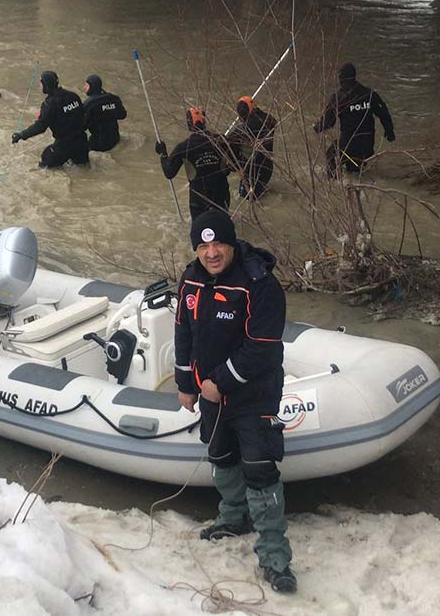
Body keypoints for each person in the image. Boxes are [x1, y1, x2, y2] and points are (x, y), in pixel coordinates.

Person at [174, 210, 296, 594]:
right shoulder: (190, 279)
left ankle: (275, 558)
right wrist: (186, 384)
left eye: (218, 245)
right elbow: (183, 333)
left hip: (253, 394)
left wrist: (220, 382)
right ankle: (234, 516)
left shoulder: (260, 284)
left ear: (231, 244)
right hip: (210, 393)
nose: (211, 253)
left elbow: (262, 347)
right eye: (203, 246)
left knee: (260, 469)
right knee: (221, 456)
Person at [313, 63, 395, 176]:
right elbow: (384, 114)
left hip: (348, 145)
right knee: (355, 170)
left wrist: (317, 127)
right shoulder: (369, 94)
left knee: (331, 155)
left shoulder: (338, 97)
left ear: (341, 78)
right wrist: (389, 131)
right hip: (367, 145)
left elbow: (328, 122)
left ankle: (334, 183)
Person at [156, 108, 235, 220]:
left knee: (200, 228)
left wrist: (163, 153)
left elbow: (169, 173)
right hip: (221, 193)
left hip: (199, 197)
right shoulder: (221, 140)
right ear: (205, 122)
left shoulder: (184, 147)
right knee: (222, 224)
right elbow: (233, 166)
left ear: (189, 125)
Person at [12, 71, 89, 168]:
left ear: (46, 85)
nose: (39, 85)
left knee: (44, 164)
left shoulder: (49, 104)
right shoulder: (73, 96)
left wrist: (21, 135)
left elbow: (40, 126)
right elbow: (83, 116)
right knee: (83, 169)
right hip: (82, 143)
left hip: (64, 145)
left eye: (40, 83)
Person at [227, 96, 277, 200]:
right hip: (267, 168)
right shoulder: (269, 120)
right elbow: (270, 120)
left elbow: (229, 140)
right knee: (260, 195)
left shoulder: (245, 129)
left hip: (253, 171)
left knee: (245, 199)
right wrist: (255, 110)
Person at [82, 74, 127, 152]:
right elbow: (123, 115)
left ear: (92, 87)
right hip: (115, 139)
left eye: (86, 85)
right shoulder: (113, 98)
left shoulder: (88, 104)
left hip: (98, 144)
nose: (84, 87)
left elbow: (82, 126)